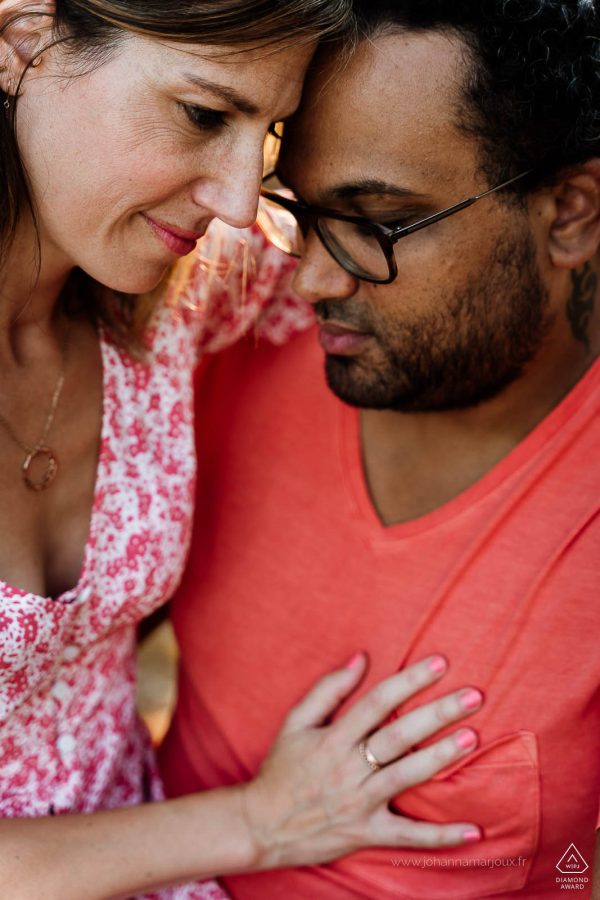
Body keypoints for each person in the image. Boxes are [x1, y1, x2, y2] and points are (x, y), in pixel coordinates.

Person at [0, 1, 489, 897]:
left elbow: (441, 275)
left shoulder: (190, 287)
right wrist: (262, 821)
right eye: (202, 113)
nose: (234, 199)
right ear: (22, 42)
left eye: (267, 134)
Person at [160, 0, 600, 897]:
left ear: (570, 213)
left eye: (377, 222)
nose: (311, 280)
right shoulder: (224, 332)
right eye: (301, 210)